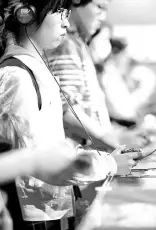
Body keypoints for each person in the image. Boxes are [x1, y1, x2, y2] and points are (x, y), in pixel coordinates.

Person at [0, 0, 139, 230]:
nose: (66, 21)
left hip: (51, 213)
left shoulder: (36, 70)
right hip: (37, 222)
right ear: (26, 15)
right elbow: (41, 162)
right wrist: (109, 163)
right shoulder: (17, 76)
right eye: (59, 13)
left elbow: (51, 151)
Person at [47, 0, 147, 151]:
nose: (103, 16)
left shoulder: (77, 45)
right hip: (78, 160)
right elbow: (67, 111)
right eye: (100, 7)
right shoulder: (66, 46)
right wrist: (115, 141)